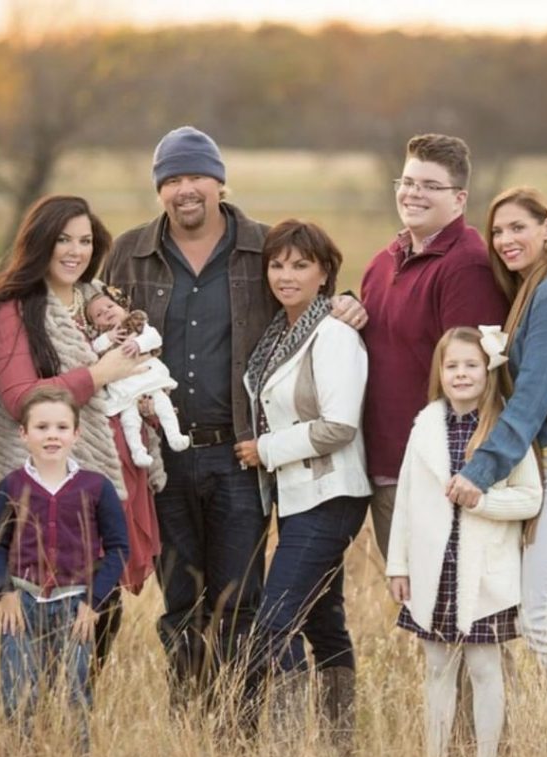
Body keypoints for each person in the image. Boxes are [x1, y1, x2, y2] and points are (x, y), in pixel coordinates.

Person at [99, 126, 367, 703]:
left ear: (219, 181)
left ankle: (240, 724)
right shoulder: (129, 252)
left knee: (241, 598)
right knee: (181, 600)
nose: (184, 190)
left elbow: (312, 305)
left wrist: (349, 304)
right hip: (164, 458)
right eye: (171, 180)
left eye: (195, 176)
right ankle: (193, 718)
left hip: (239, 455)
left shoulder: (264, 249)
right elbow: (95, 327)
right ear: (159, 190)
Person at [0, 194, 162, 668]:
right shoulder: (15, 311)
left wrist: (145, 397)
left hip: (110, 474)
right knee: (52, 606)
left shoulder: (98, 304)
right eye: (62, 240)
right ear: (39, 244)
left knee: (103, 603)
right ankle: (41, 720)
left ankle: (76, 714)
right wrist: (100, 374)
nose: (74, 251)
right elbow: (20, 399)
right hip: (50, 481)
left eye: (85, 241)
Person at [447, 187, 547, 753]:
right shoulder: (532, 296)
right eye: (497, 231)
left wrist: (481, 470)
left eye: (518, 227)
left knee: (540, 623)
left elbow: (533, 399)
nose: (505, 240)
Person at [235, 220, 370, 754]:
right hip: (296, 499)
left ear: (324, 274)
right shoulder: (282, 332)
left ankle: (288, 753)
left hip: (331, 496)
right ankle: (341, 750)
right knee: (324, 622)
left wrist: (264, 450)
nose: (285, 275)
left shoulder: (335, 334)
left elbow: (339, 425)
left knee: (275, 622)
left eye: (300, 265)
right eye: (277, 264)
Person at [387, 326, 542, 757]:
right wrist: (398, 565)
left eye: (471, 365)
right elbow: (406, 500)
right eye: (451, 365)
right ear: (439, 371)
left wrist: (483, 501)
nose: (460, 374)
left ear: (488, 370)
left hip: (484, 573)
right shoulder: (425, 427)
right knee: (437, 668)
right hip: (435, 571)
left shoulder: (505, 429)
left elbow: (531, 497)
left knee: (484, 669)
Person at [361, 134, 509, 562]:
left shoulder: (468, 267)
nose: (413, 193)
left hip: (436, 469)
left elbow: (472, 382)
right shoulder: (385, 259)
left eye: (430, 185)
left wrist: (460, 470)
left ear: (459, 199)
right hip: (384, 462)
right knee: (415, 601)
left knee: (447, 604)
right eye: (407, 182)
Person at [0, 387, 129, 748]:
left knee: (75, 692)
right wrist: (5, 593)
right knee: (18, 691)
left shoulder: (96, 487)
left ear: (76, 433)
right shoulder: (11, 485)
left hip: (74, 604)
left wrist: (93, 603)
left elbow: (118, 549)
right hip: (23, 606)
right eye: (42, 427)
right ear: (24, 434)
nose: (52, 435)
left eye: (62, 427)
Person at [85, 289, 190, 466]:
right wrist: (108, 337)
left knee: (164, 406)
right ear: (95, 325)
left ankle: (174, 435)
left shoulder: (136, 325)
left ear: (123, 307)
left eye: (110, 306)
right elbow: (93, 349)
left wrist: (137, 343)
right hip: (124, 389)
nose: (107, 312)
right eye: (99, 314)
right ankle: (137, 452)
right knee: (129, 421)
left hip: (148, 381)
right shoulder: (101, 338)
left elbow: (155, 338)